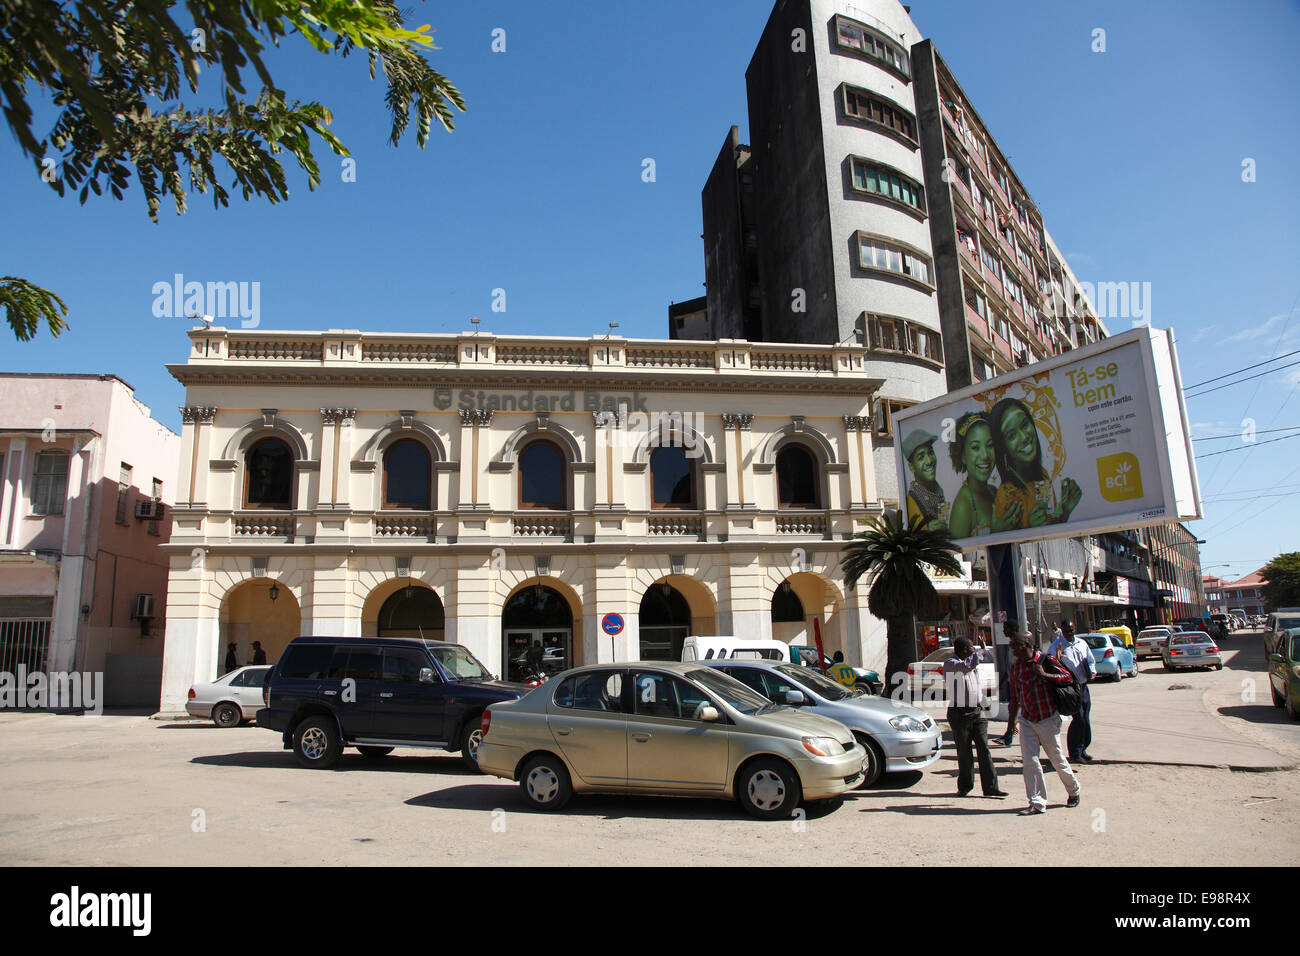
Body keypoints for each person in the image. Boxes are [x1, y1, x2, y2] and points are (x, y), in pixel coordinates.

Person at [1001, 630, 1082, 815]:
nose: (1012, 650)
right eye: (1011, 646)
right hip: (1027, 719)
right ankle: (1037, 802)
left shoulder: (1045, 660)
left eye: (1016, 645)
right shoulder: (1015, 667)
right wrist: (1011, 722)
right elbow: (1014, 696)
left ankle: (1074, 790)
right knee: (1030, 762)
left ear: (1028, 645)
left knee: (1057, 759)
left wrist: (1046, 675)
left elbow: (1068, 678)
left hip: (1048, 718)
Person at [988, 397, 1082, 529]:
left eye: (1025, 425)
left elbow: (1050, 531)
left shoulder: (1042, 475)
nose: (1024, 437)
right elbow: (1008, 545)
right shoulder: (1007, 496)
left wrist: (1066, 510)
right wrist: (1030, 528)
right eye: (1012, 435)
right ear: (1003, 446)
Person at [941, 633, 1007, 797]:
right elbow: (965, 667)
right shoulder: (951, 664)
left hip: (977, 713)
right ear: (964, 650)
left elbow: (976, 689)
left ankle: (991, 787)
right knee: (964, 752)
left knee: (984, 750)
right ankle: (965, 786)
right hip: (959, 714)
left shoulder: (972, 665)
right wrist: (982, 651)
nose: (974, 650)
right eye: (971, 648)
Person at [947, 412, 1022, 538]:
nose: (985, 455)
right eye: (975, 447)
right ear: (963, 456)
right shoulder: (964, 504)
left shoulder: (993, 492)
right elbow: (955, 555)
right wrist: (995, 534)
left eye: (990, 445)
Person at [1049, 621, 1096, 762]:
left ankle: (1083, 749)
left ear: (1074, 628)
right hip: (1070, 688)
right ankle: (1075, 752)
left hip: (1083, 686)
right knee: (1078, 719)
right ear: (1062, 631)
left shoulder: (1081, 643)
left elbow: (1090, 660)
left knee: (1085, 719)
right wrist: (1058, 658)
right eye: (1066, 631)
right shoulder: (1057, 645)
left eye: (1071, 630)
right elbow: (1051, 664)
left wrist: (1092, 672)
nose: (1069, 633)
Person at [902, 429, 948, 531]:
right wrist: (927, 531)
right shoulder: (912, 500)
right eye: (921, 457)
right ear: (911, 467)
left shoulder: (939, 492)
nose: (929, 461)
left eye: (930, 452)